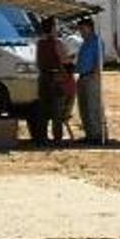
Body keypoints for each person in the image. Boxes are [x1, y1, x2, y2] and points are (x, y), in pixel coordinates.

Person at [35, 17, 72, 145]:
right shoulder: (57, 43)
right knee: (57, 110)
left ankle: (42, 138)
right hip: (55, 78)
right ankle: (57, 138)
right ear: (51, 28)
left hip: (42, 78)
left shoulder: (39, 43)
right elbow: (65, 60)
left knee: (43, 110)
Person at [75, 17, 107, 145]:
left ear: (89, 28)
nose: (81, 32)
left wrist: (95, 75)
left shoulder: (97, 42)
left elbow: (98, 61)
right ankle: (89, 134)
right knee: (84, 107)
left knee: (93, 106)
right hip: (82, 76)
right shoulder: (85, 42)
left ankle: (98, 134)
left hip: (91, 77)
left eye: (82, 29)